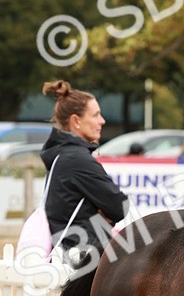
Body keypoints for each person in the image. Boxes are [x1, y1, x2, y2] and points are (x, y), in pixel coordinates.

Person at [41, 80, 129, 266]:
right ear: (76, 121)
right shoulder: (77, 159)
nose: (102, 121)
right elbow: (120, 206)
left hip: (70, 254)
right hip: (84, 258)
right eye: (95, 115)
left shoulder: (61, 154)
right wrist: (102, 213)